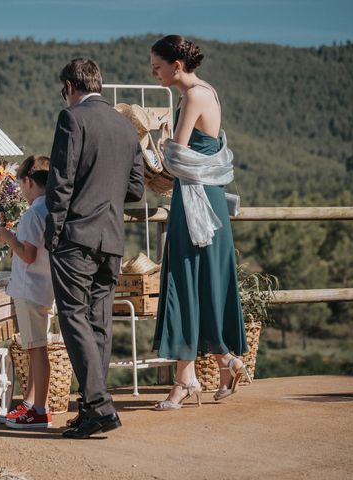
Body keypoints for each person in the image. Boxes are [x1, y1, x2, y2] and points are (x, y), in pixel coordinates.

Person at [149, 35, 251, 410]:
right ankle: (225, 362)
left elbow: (176, 157)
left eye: (157, 67)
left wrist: (156, 149)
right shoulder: (203, 92)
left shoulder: (193, 96)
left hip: (196, 201)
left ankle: (185, 381)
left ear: (177, 65)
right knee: (200, 281)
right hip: (201, 197)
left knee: (184, 280)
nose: (153, 73)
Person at [45, 58, 145, 438]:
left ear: (70, 86)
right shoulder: (125, 125)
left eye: (63, 90)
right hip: (112, 240)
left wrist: (53, 236)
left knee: (72, 317)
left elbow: (61, 182)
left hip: (76, 237)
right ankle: (92, 409)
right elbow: (135, 189)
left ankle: (99, 406)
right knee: (99, 322)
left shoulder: (72, 119)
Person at [0, 155, 54, 429]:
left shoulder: (33, 214)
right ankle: (31, 404)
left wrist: (8, 238)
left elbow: (28, 255)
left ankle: (39, 409)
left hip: (30, 289)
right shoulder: (49, 210)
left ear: (29, 182)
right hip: (42, 287)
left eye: (21, 185)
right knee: (35, 348)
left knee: (37, 349)